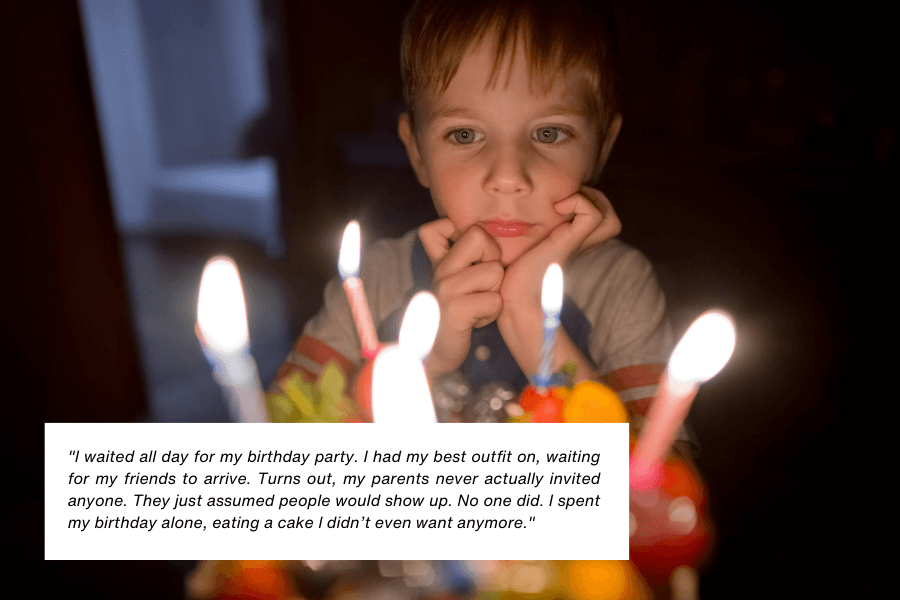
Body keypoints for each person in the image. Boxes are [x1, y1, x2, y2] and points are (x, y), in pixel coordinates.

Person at [272, 0, 687, 437]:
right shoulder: (371, 283)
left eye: (548, 133)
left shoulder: (620, 285)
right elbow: (279, 450)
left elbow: (659, 488)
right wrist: (425, 361)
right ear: (417, 153)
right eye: (465, 135)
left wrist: (529, 319)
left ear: (600, 148)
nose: (508, 177)